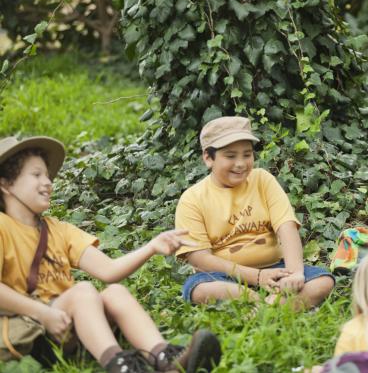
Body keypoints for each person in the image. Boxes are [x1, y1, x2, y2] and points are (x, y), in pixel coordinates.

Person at [0, 136, 222, 373]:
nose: (47, 182)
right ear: (6, 185)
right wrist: (43, 313)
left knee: (115, 292)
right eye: (36, 175)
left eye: (47, 175)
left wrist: (151, 247)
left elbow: (108, 271)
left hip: (72, 327)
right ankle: (122, 367)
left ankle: (167, 359)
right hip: (35, 331)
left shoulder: (58, 230)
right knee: (83, 291)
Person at [175, 116, 335, 308]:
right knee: (202, 290)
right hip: (224, 276)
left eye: (247, 154)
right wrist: (256, 277)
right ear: (208, 158)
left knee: (323, 282)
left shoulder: (262, 180)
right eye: (231, 156)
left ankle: (259, 309)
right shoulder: (192, 199)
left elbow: (287, 227)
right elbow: (200, 259)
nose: (241, 163)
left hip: (276, 269)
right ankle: (265, 304)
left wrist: (294, 274)